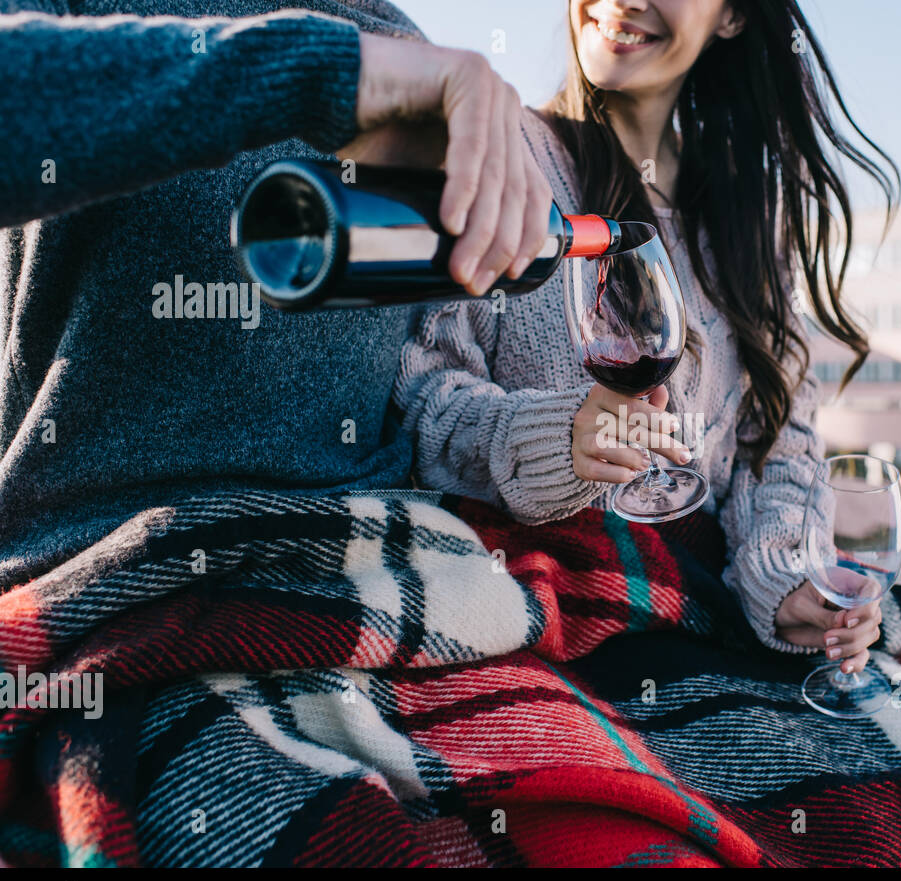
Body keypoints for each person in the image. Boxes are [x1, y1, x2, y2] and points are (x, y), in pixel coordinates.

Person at [395, 0, 901, 669]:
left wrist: (785, 580)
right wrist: (559, 442)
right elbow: (422, 410)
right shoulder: (499, 154)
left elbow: (779, 441)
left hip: (707, 609)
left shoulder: (748, 213)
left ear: (734, 17)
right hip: (540, 618)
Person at [0, 0, 552, 592]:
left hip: (367, 558)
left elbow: (418, 387)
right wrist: (322, 75)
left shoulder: (412, 45)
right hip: (93, 564)